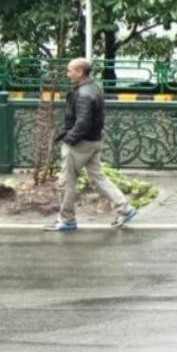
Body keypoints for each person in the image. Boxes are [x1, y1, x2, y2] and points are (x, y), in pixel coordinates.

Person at [45, 57, 137, 232]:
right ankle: (125, 209)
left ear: (80, 72)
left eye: (70, 70)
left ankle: (67, 220)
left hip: (80, 144)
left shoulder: (84, 93)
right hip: (94, 141)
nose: (68, 74)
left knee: (66, 182)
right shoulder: (94, 87)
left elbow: (83, 123)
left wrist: (69, 139)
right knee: (98, 178)